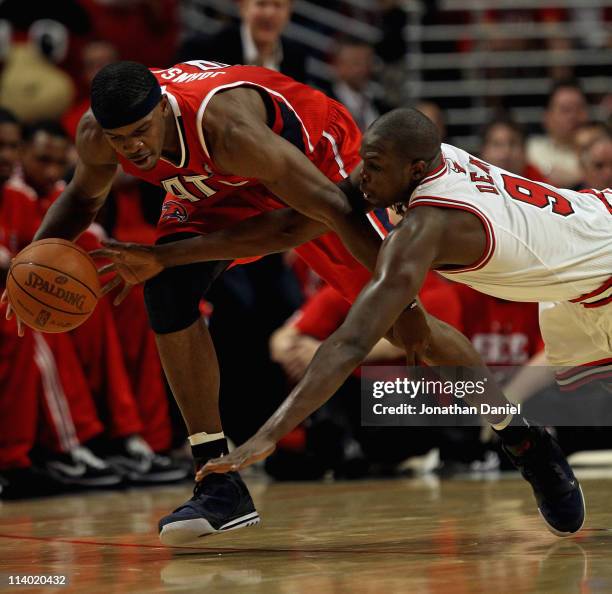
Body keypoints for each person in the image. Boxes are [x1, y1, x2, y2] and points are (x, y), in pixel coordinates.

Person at [97, 109, 608, 539]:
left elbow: (352, 341)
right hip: (572, 276)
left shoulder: (430, 225)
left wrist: (268, 435)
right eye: (363, 160)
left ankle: (529, 447)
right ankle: (527, 442)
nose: (362, 176)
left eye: (374, 166)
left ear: (413, 169)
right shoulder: (417, 163)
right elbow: (294, 223)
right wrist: (170, 257)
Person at [2, 60, 449, 546]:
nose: (130, 147)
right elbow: (83, 200)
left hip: (311, 164)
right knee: (166, 290)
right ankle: (217, 480)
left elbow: (326, 211)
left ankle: (520, 437)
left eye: (140, 131)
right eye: (118, 138)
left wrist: (397, 299)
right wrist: (27, 268)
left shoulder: (227, 127)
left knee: (405, 327)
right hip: (215, 184)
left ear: (163, 108)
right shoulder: (97, 134)